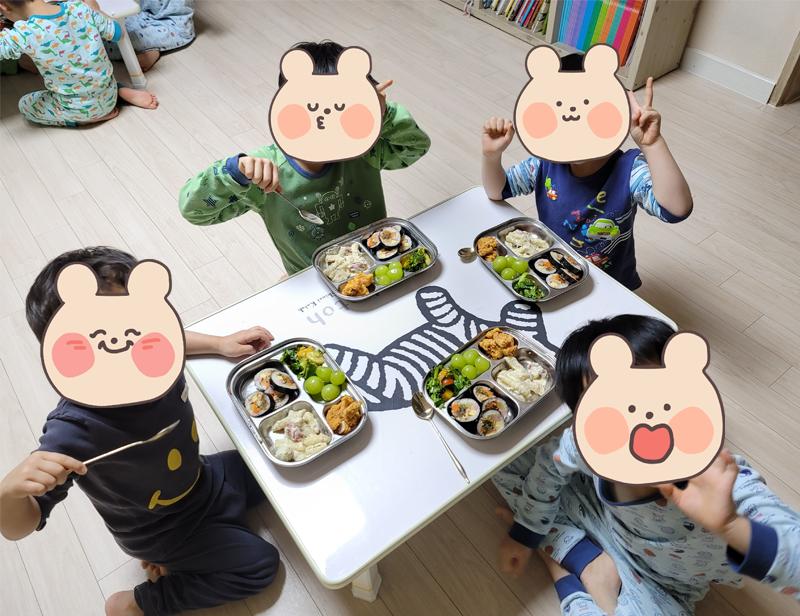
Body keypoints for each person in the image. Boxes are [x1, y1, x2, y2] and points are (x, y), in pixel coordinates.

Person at [0, 247, 280, 616]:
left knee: (271, 459)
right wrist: (9, 493)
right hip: (164, 531)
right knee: (260, 566)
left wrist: (219, 343)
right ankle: (139, 604)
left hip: (205, 479)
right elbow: (21, 525)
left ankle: (193, 555)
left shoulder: (155, 355)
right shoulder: (74, 430)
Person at [492, 314, 800, 615]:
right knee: (501, 462)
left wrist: (731, 524)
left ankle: (565, 569)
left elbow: (792, 547)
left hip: (669, 583)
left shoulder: (718, 483)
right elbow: (548, 467)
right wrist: (525, 532)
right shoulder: (585, 444)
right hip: (605, 520)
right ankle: (586, 560)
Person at [178, 39, 431, 276]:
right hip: (312, 279)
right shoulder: (265, 173)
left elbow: (415, 147)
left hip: (383, 263)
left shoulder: (363, 152)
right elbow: (195, 212)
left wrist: (385, 115)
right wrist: (234, 172)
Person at [481, 53, 693, 291]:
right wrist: (491, 156)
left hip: (611, 283)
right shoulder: (544, 163)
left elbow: (676, 210)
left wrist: (653, 145)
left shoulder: (629, 169)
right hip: (554, 273)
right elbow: (498, 190)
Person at [0, 0, 157, 127]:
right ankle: (119, 91)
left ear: (3, 6)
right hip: (107, 91)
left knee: (25, 105)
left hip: (77, 109)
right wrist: (95, 9)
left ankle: (82, 120)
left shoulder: (22, 34)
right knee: (89, 75)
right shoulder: (79, 8)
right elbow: (118, 33)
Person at [104, 0, 196, 72]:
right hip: (144, 15)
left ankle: (152, 52)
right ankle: (150, 48)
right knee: (104, 29)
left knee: (112, 44)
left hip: (174, 26)